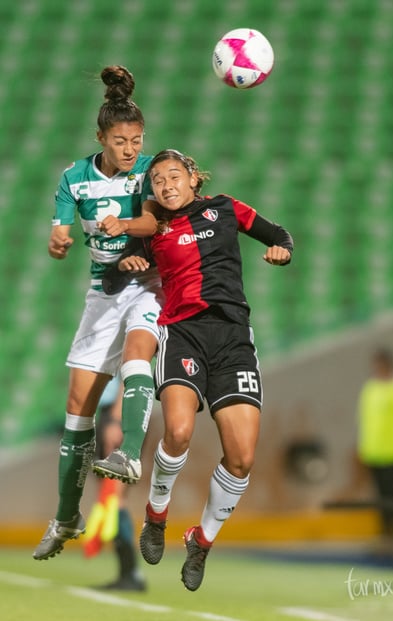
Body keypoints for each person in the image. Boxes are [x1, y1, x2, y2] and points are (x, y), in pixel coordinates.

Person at [98, 149, 294, 590]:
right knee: (179, 431)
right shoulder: (153, 228)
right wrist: (123, 266)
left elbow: (279, 233)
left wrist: (283, 250)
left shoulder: (226, 207)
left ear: (192, 178)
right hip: (182, 333)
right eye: (158, 180)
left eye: (173, 176)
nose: (166, 185)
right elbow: (114, 278)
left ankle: (201, 542)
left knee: (242, 457)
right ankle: (156, 514)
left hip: (233, 339)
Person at [33, 65, 164, 561]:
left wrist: (131, 229)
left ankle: (129, 453)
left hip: (149, 283)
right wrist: (58, 240)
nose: (130, 149)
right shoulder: (74, 177)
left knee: (137, 356)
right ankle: (67, 516)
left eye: (136, 139)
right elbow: (60, 234)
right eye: (120, 140)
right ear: (101, 138)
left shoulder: (150, 169)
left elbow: (154, 219)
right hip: (103, 292)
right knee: (77, 410)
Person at [83, 376, 147, 591]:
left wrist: (116, 420)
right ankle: (128, 573)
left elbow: (129, 374)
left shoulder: (122, 341)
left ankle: (131, 574)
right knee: (114, 497)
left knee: (114, 497)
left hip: (119, 414)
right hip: (114, 413)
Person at [357, 347, 393, 539]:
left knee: (392, 495)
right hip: (374, 451)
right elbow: (365, 420)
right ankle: (386, 533)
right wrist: (363, 447)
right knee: (380, 495)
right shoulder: (370, 388)